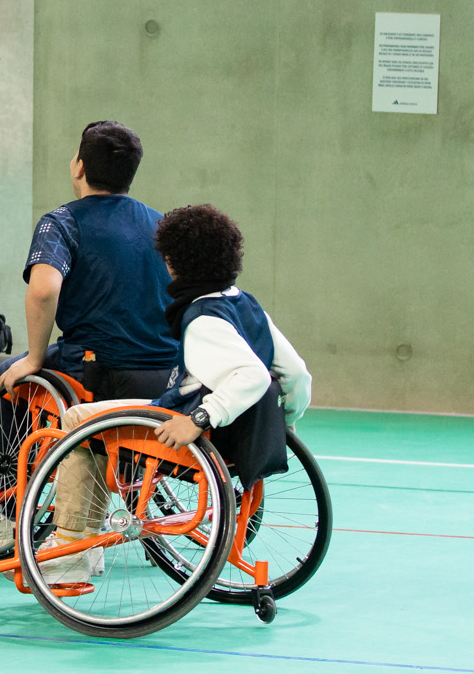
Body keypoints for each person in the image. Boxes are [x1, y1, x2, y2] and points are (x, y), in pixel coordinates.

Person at [36, 203, 312, 585]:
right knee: (94, 422)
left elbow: (252, 376)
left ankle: (72, 544)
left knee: (77, 420)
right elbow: (296, 375)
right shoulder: (246, 304)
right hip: (225, 433)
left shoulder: (202, 318)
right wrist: (286, 422)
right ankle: (87, 542)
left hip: (186, 425)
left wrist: (200, 418)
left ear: (172, 264)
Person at [0, 119, 177, 551]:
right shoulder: (163, 226)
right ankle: (133, 486)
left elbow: (43, 290)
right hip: (167, 373)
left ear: (78, 166)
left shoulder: (61, 222)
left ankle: (3, 512)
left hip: (100, 372)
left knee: (9, 374)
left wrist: (34, 358)